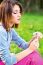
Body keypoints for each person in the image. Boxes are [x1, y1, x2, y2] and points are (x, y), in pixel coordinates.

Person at [0, 0, 43, 65]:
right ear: (6, 13)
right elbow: (8, 61)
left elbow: (24, 45)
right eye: (15, 12)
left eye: (20, 12)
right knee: (32, 56)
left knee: (33, 53)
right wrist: (30, 49)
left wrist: (34, 38)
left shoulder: (10, 30)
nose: (19, 15)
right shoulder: (1, 31)